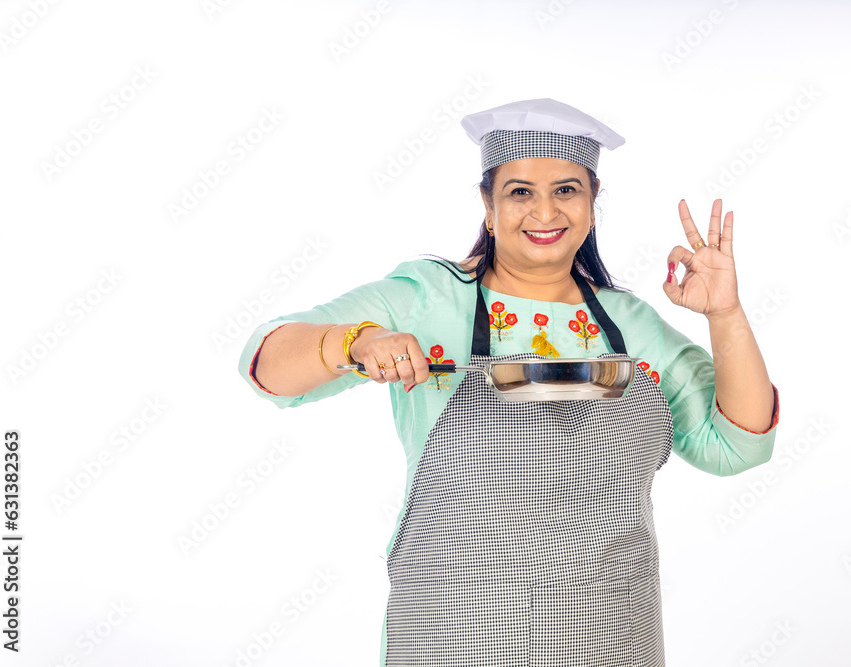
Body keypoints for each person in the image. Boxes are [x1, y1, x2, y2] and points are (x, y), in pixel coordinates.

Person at [238, 98, 780, 666]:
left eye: (567, 189)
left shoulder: (630, 327)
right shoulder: (429, 299)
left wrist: (726, 314)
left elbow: (738, 445)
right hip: (453, 633)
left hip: (609, 637)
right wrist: (356, 340)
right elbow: (267, 365)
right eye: (520, 191)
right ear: (488, 206)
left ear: (593, 202)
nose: (545, 211)